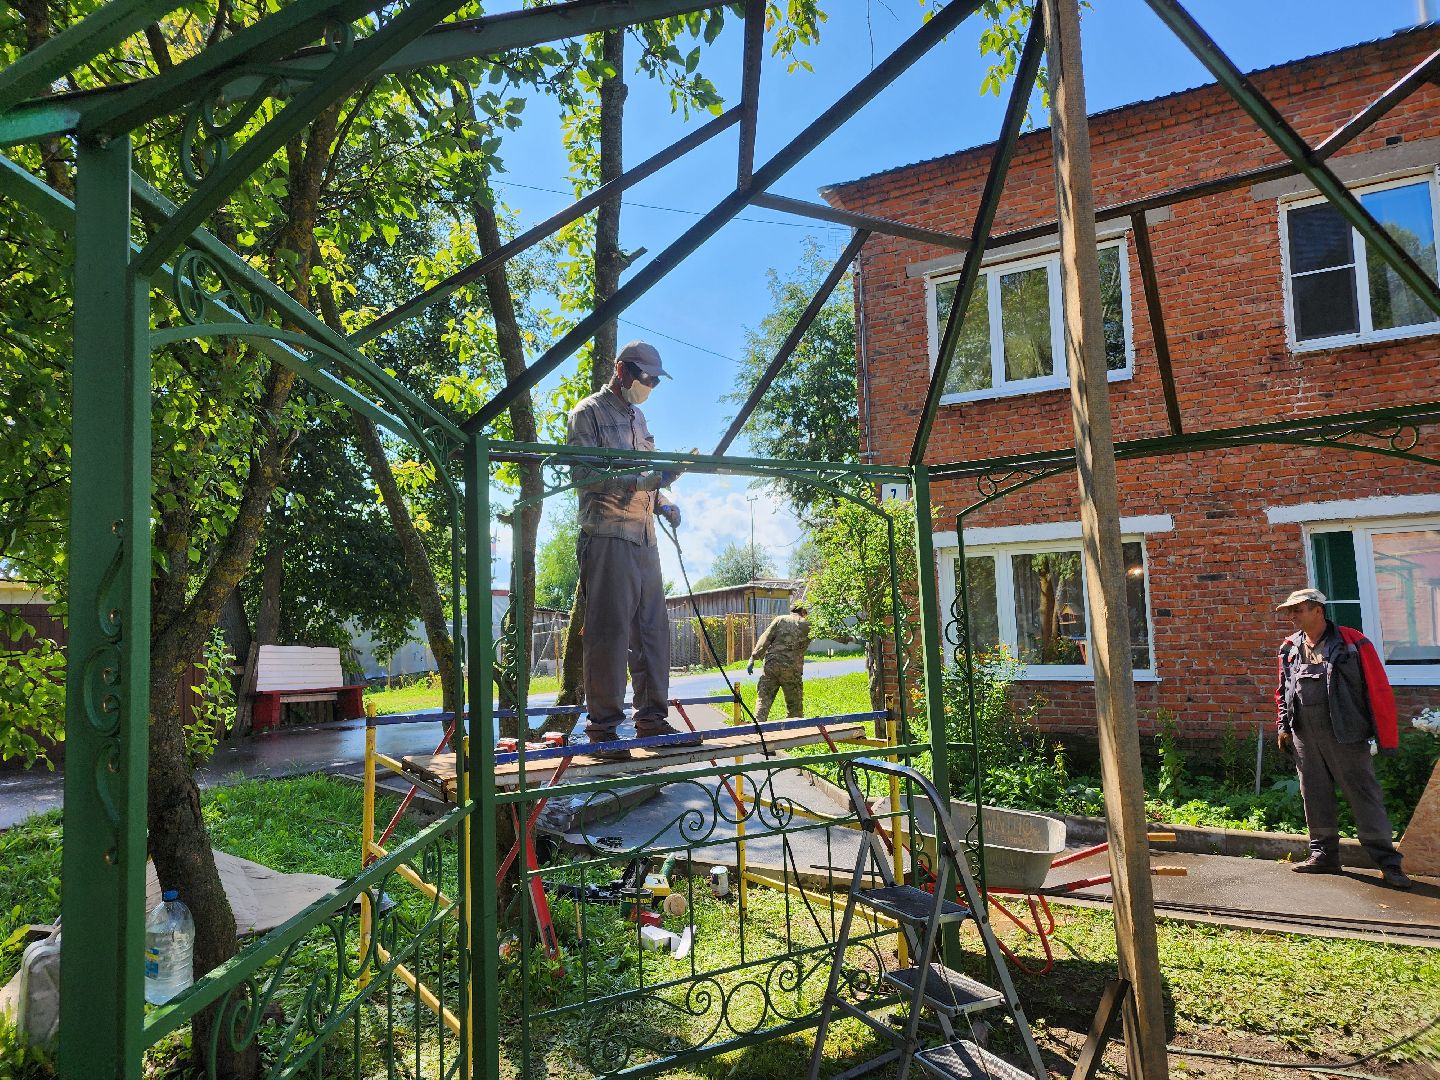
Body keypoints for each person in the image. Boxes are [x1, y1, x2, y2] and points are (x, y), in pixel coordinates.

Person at [567, 341, 699, 763]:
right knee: (608, 635)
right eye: (646, 379)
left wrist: (664, 500)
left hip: (645, 541)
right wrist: (645, 482)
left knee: (653, 633)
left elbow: (649, 475)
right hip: (606, 537)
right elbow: (584, 475)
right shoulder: (586, 413)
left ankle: (652, 724)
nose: (651, 387)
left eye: (656, 382)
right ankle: (603, 732)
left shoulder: (639, 418)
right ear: (622, 371)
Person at [1274, 588, 1412, 889]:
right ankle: (1324, 855)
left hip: (1347, 734)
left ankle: (1389, 863)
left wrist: (1384, 736)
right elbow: (1284, 690)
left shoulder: (1353, 643)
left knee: (1364, 797)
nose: (1292, 616)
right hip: (1305, 736)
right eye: (1290, 611)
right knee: (1314, 795)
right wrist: (1283, 725)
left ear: (1318, 610)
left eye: (1298, 610)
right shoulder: (1289, 647)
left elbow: (1376, 688)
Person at [746, 604, 812, 723]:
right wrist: (851, 639)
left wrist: (753, 657)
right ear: (803, 611)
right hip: (792, 670)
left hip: (772, 666)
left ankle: (756, 731)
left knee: (763, 702)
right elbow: (829, 633)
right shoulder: (807, 625)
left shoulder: (780, 619)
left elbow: (765, 639)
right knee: (795, 709)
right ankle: (793, 734)